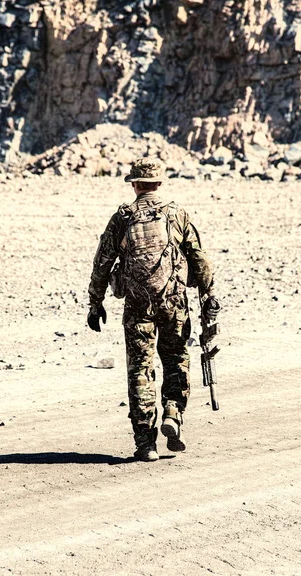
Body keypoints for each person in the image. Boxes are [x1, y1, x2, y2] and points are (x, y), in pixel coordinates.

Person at [87, 158, 220, 461]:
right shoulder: (177, 215)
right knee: (175, 360)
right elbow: (198, 258)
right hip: (174, 302)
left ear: (134, 184)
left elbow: (102, 263)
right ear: (159, 183)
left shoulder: (122, 218)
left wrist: (95, 302)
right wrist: (209, 294)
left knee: (140, 369)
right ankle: (173, 413)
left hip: (137, 305)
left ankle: (146, 443)